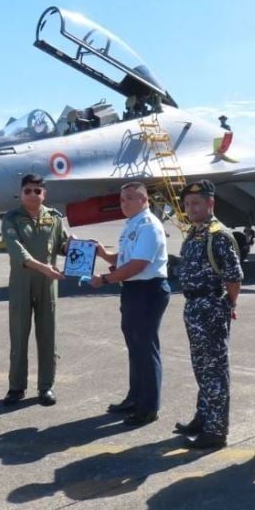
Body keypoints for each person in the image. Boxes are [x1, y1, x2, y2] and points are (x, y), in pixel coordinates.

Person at [89, 181, 170, 427]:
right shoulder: (132, 225)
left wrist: (104, 279)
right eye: (123, 199)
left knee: (145, 349)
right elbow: (124, 259)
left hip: (148, 290)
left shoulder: (149, 225)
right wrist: (103, 254)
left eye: (131, 198)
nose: (125, 203)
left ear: (144, 201)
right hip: (134, 290)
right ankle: (135, 399)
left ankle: (148, 408)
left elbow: (138, 265)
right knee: (135, 348)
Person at [173, 180, 243, 449]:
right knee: (201, 367)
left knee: (215, 370)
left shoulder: (218, 235)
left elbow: (234, 277)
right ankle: (203, 418)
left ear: (210, 203)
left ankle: (216, 431)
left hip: (211, 306)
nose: (190, 209)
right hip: (194, 307)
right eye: (187, 204)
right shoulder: (195, 232)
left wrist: (229, 304)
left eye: (196, 203)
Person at [1, 174, 68, 406]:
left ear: (44, 194)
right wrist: (44, 268)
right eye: (28, 190)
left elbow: (63, 244)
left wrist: (79, 247)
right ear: (21, 193)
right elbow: (17, 251)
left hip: (47, 285)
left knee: (48, 336)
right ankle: (16, 387)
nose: (32, 195)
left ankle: (46, 387)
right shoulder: (11, 218)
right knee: (19, 335)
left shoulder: (55, 218)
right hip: (22, 282)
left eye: (37, 191)